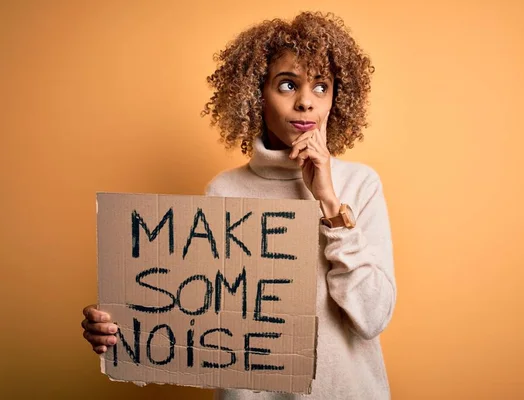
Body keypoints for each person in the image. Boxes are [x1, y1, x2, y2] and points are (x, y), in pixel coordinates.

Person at [82, 11, 396, 399]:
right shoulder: (224, 190)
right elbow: (194, 306)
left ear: (336, 98)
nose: (305, 103)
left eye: (320, 87)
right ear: (256, 94)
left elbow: (374, 316)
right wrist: (125, 323)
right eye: (287, 85)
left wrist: (329, 202)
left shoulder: (360, 185)